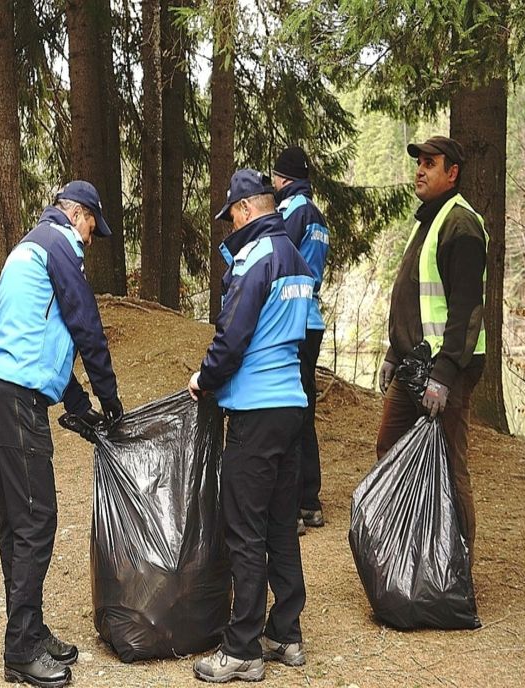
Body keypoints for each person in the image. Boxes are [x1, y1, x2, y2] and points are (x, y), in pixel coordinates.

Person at [0, 180, 123, 688]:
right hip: (17, 400)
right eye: (91, 227)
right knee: (37, 522)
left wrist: (81, 407)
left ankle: (31, 631)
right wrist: (110, 398)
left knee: (18, 523)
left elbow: (46, 342)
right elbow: (86, 325)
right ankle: (20, 650)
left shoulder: (28, 247)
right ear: (76, 214)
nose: (89, 238)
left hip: (0, 393)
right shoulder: (59, 244)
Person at [188, 169, 314, 683]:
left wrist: (205, 380)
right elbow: (302, 336)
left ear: (244, 210)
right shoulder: (299, 260)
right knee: (282, 524)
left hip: (255, 410)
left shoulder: (254, 257)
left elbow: (233, 337)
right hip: (291, 407)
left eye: (231, 216)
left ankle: (242, 647)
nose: (230, 226)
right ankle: (286, 632)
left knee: (244, 528)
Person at [377, 136, 487, 565]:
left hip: (447, 370)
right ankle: (407, 551)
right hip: (414, 365)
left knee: (450, 464)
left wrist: (443, 376)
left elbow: (465, 311)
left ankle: (456, 567)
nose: (420, 170)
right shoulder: (430, 219)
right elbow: (412, 297)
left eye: (430, 163)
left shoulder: (461, 225)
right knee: (390, 448)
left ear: (452, 172)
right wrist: (393, 351)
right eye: (418, 163)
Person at [272, 146, 330, 533]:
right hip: (312, 319)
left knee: (290, 410)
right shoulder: (318, 215)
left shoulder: (292, 211)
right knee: (304, 408)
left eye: (275, 177)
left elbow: (277, 258)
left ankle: (291, 505)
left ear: (285, 179)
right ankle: (310, 499)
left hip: (294, 319)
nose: (272, 184)